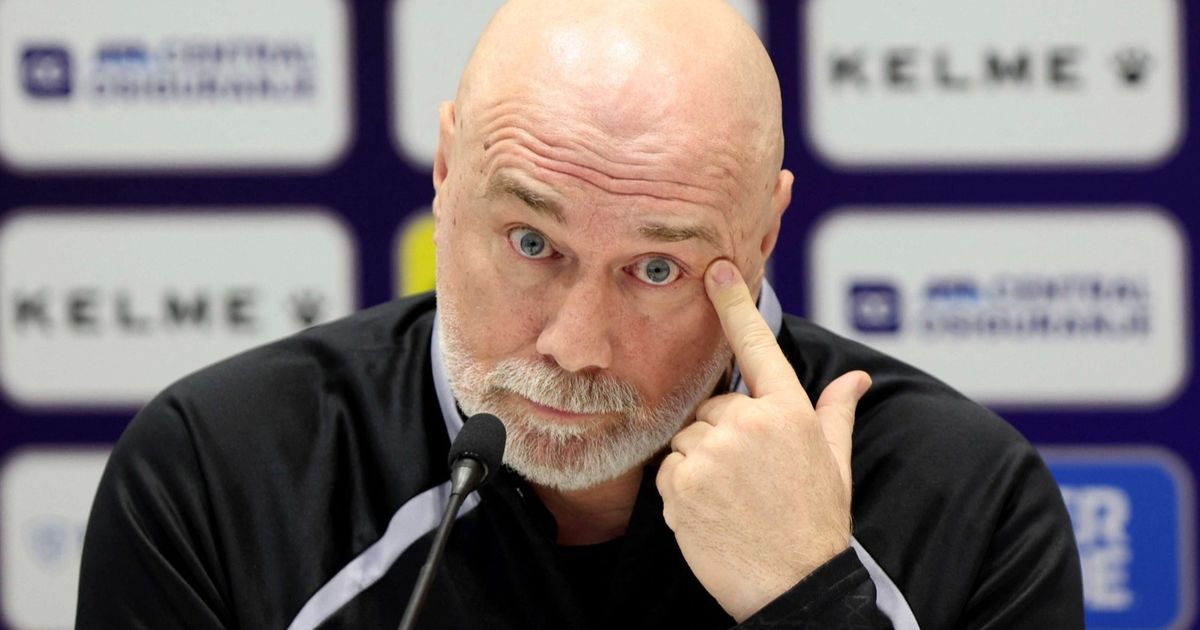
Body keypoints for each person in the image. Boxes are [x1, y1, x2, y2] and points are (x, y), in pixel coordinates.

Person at [77, 1, 1083, 628]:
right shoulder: (218, 473)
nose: (574, 346)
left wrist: (810, 597)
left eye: (656, 267)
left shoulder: (966, 499)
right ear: (445, 173)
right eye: (532, 244)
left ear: (764, 233)